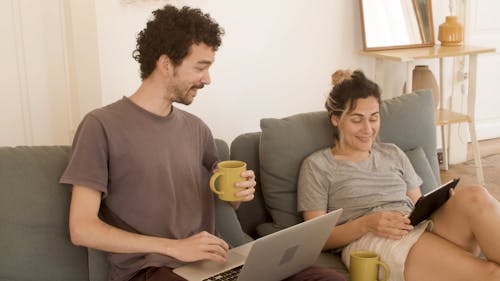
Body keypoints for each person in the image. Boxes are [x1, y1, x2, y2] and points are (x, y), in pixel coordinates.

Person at [61, 5, 344, 281]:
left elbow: (223, 202)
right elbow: (82, 228)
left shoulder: (197, 129)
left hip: (216, 265)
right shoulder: (100, 126)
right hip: (151, 270)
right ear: (166, 64)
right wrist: (173, 247)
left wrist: (236, 193)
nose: (207, 79)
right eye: (200, 67)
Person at [297, 69, 500, 281]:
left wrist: (442, 203)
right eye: (357, 120)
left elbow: (418, 204)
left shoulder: (392, 152)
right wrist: (367, 223)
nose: (368, 129)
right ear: (336, 119)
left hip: (413, 225)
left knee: (475, 196)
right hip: (372, 239)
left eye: (374, 118)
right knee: (492, 274)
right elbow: (316, 239)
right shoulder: (317, 166)